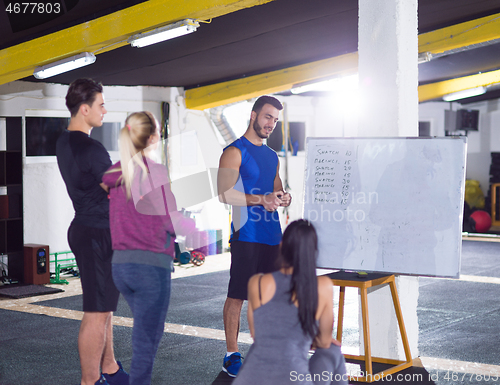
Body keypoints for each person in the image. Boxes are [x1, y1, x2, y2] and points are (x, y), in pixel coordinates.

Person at [102, 111, 195, 385]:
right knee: (146, 342)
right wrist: (196, 233)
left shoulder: (115, 173)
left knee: (149, 334)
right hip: (150, 269)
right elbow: (170, 220)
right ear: (153, 137)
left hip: (121, 268)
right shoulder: (156, 172)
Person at [56, 78, 128, 385]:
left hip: (87, 228)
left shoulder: (64, 140)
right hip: (97, 233)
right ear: (84, 109)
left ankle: (109, 367)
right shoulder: (92, 148)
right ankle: (90, 381)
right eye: (100, 105)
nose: (104, 110)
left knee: (104, 307)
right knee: (97, 312)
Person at [217, 95, 292, 376]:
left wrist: (284, 197)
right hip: (246, 234)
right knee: (238, 295)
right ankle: (231, 354)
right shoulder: (234, 151)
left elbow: (277, 187)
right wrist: (263, 199)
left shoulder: (272, 156)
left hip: (273, 235)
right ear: (253, 115)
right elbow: (225, 194)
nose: (271, 123)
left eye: (274, 119)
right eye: (267, 117)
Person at [233, 219, 347, 385]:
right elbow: (323, 341)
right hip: (294, 378)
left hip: (250, 378)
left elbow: (257, 334)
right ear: (313, 251)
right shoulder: (322, 286)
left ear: (282, 246)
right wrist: (302, 339)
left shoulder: (257, 282)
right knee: (332, 349)